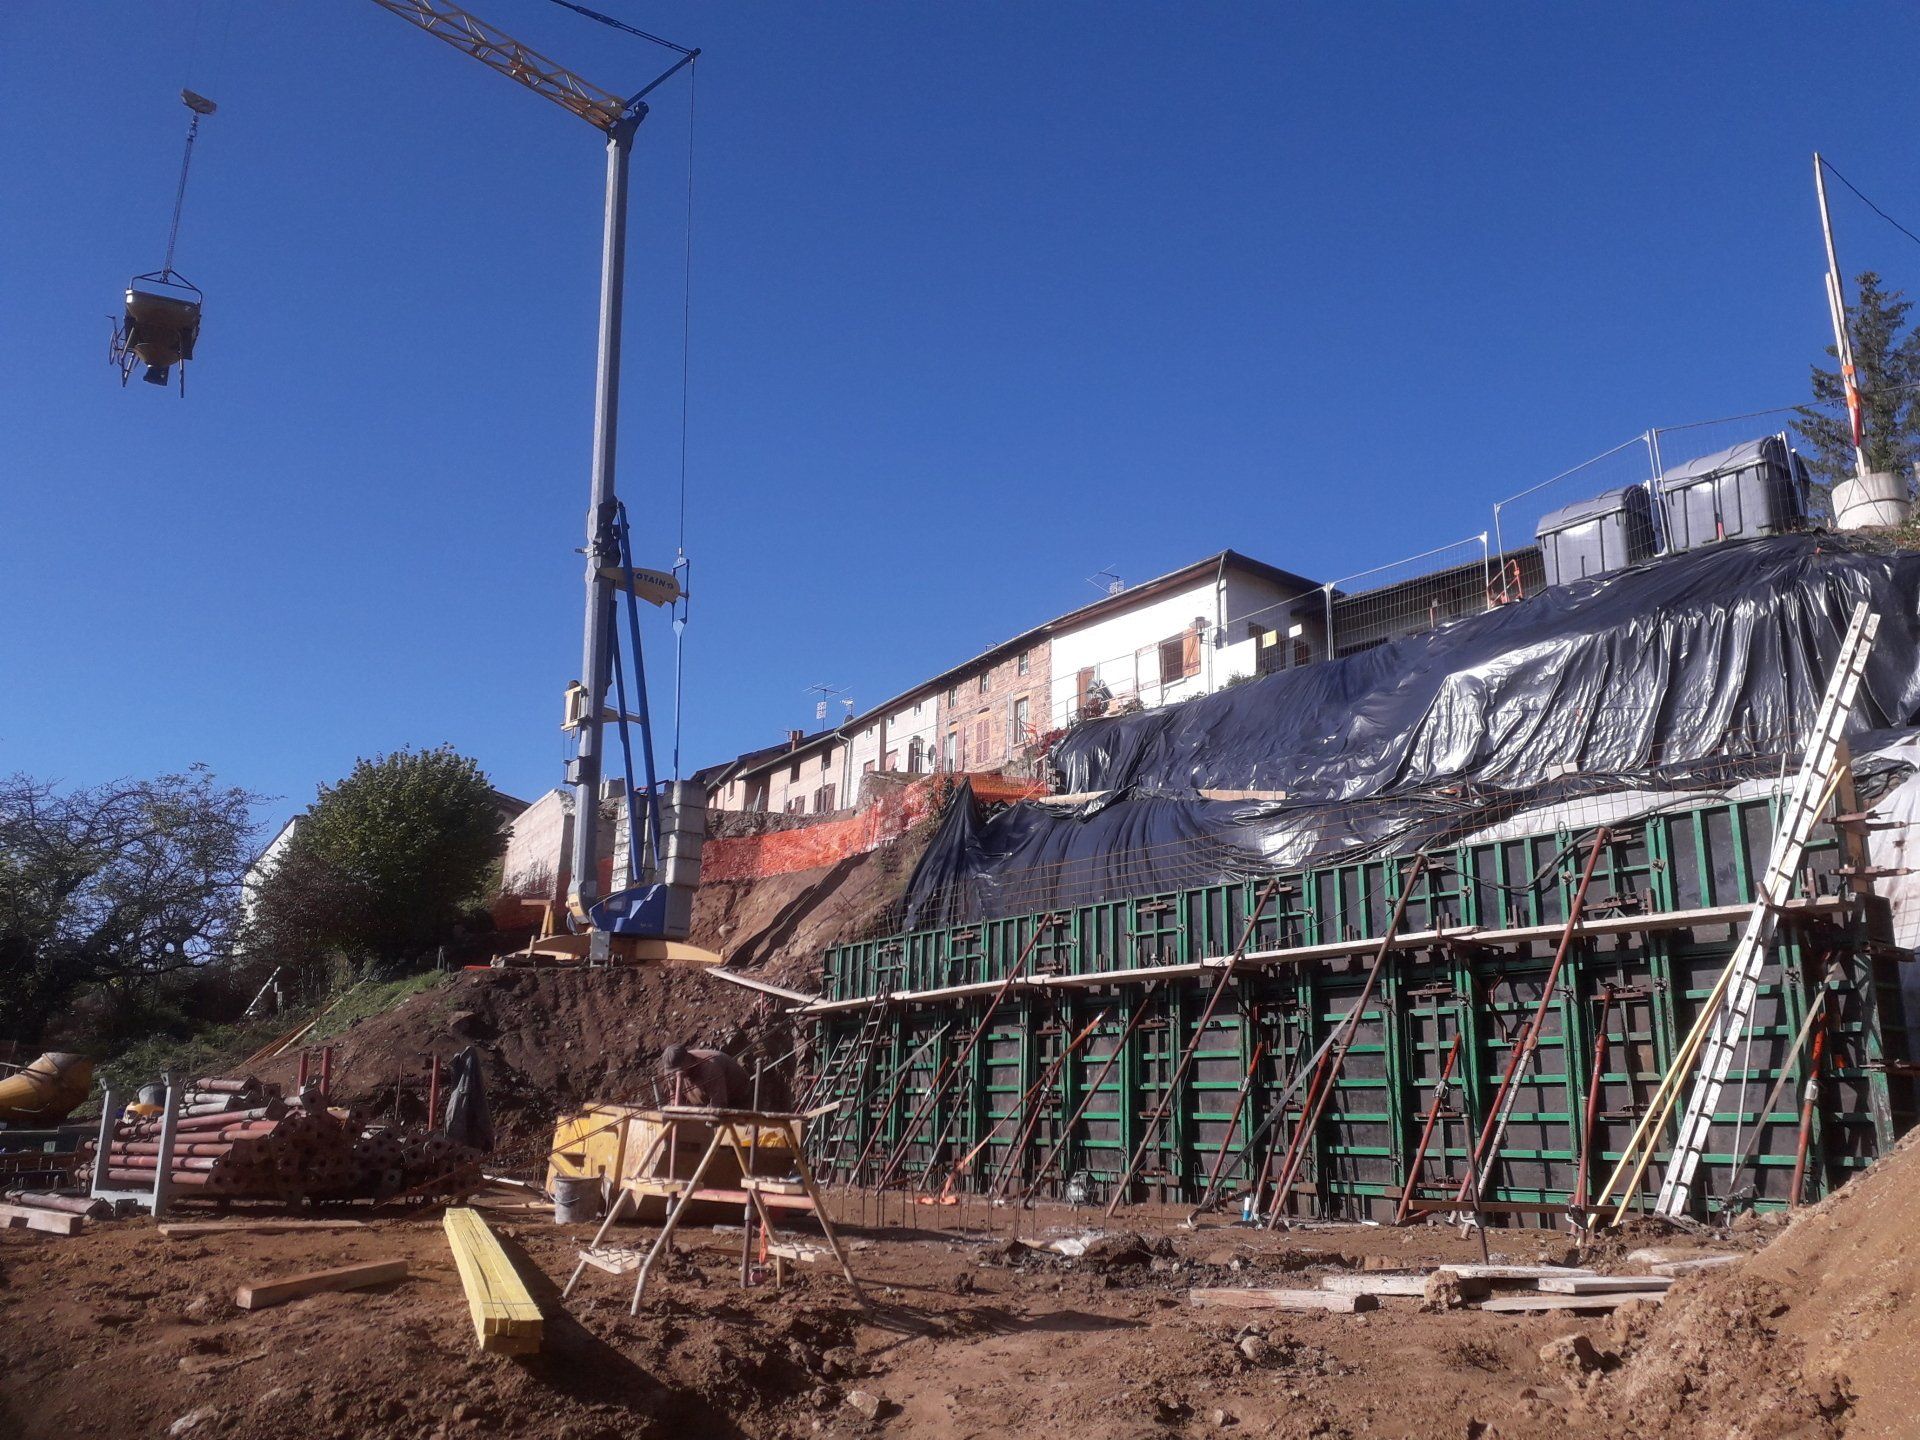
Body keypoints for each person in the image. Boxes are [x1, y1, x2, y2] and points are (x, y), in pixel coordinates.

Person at [658, 1043, 753, 1109]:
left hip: (735, 1096)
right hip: (705, 1100)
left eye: (677, 1071)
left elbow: (719, 1105)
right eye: (671, 1072)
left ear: (687, 1061)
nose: (674, 1075)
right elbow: (673, 1093)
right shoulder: (672, 1071)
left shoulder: (710, 1068)